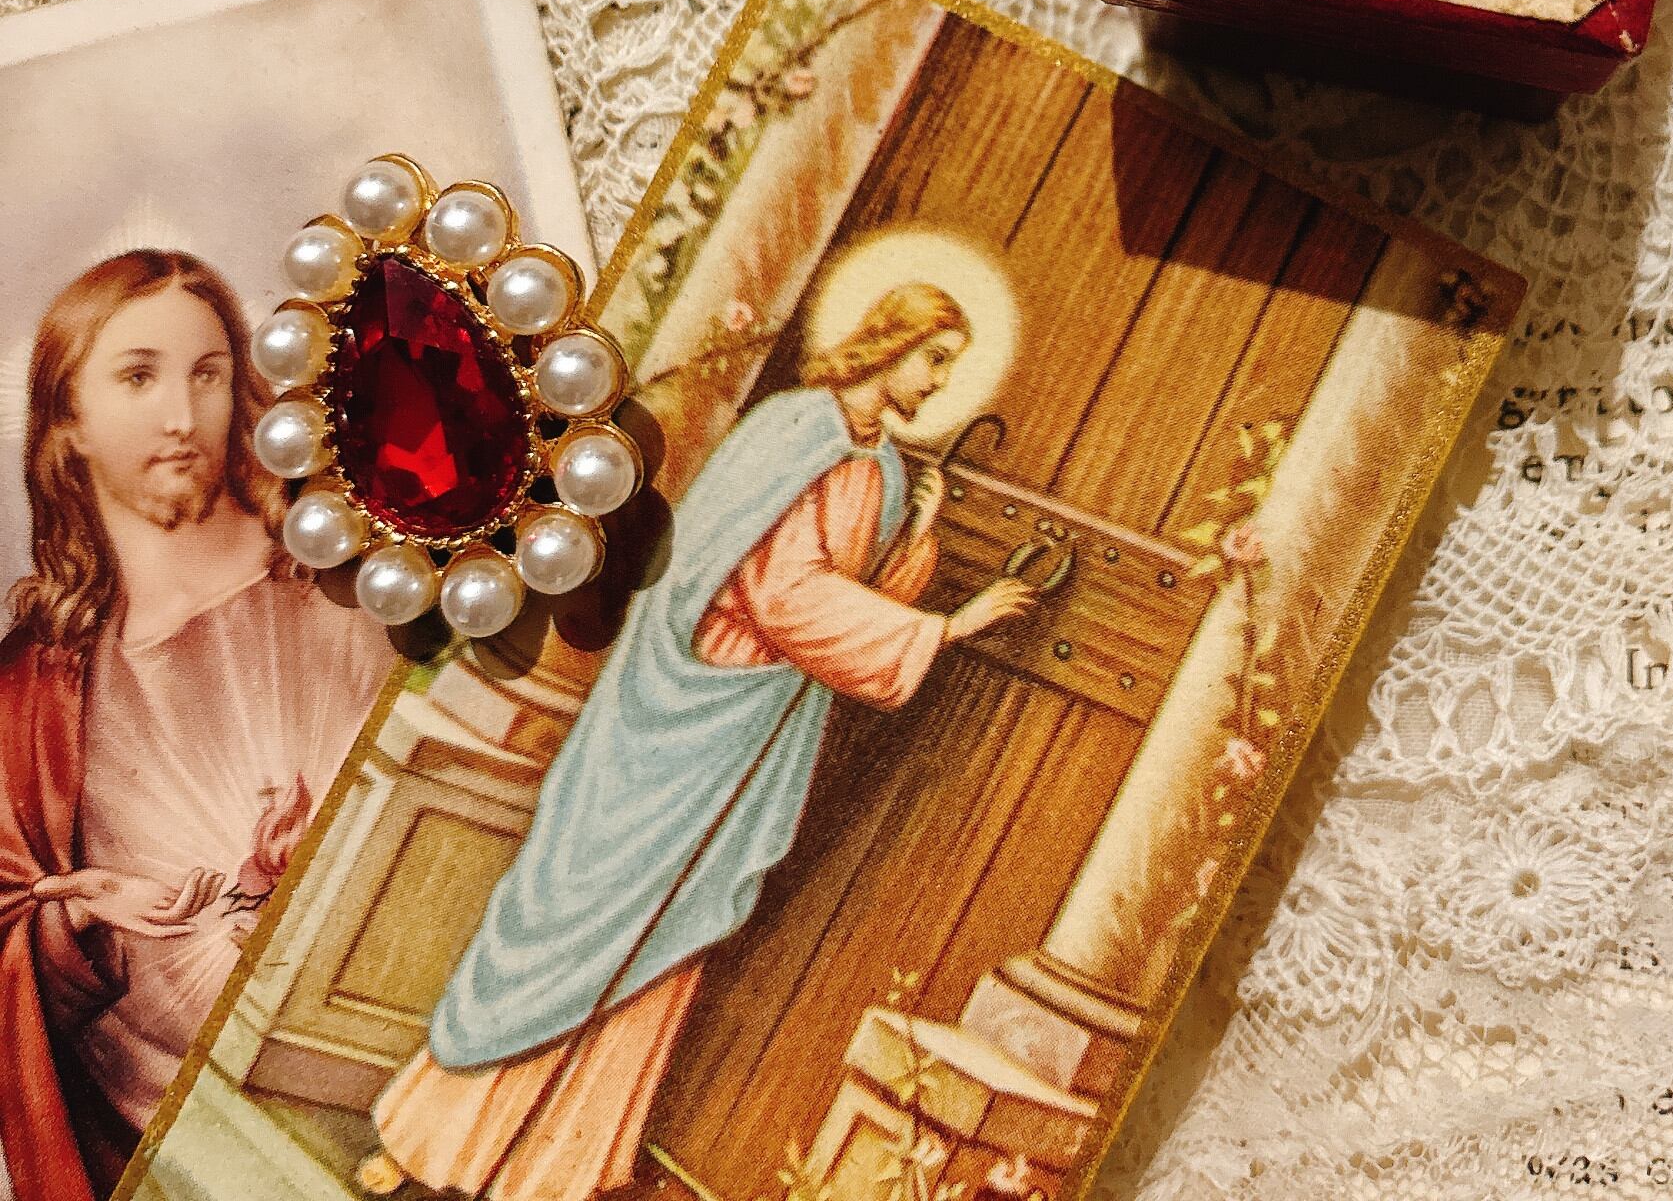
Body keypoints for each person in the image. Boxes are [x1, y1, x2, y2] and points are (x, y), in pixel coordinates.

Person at [358, 281, 1038, 1201]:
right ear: (890, 341)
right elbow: (781, 596)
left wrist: (914, 536)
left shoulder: (880, 465)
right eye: (935, 359)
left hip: (750, 739)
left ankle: (550, 1173)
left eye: (952, 368)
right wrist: (948, 629)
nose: (939, 382)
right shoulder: (794, 429)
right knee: (580, 916)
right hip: (682, 715)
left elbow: (858, 599)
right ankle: (428, 1140)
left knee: (662, 936)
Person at [0, 250, 388, 1201]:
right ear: (67, 422)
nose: (181, 415)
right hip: (221, 1165)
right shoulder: (26, 698)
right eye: (138, 378)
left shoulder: (345, 571)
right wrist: (78, 911)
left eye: (207, 375)